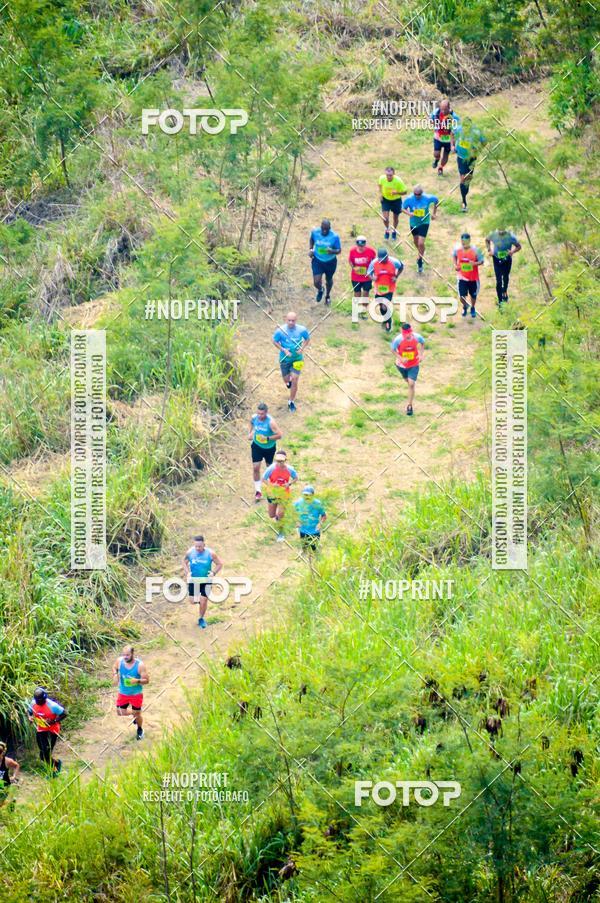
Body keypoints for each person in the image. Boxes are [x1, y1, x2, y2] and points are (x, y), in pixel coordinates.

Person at [272, 311, 311, 413]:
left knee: (295, 379)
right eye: (289, 320)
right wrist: (283, 350)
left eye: (293, 321)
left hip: (297, 359)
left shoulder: (302, 330)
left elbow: (307, 339)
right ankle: (288, 382)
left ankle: (291, 401)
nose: (291, 322)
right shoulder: (280, 331)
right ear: (286, 320)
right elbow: (274, 341)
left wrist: (302, 348)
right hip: (284, 359)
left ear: (296, 321)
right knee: (286, 380)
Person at [183, 535, 224, 628]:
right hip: (194, 580)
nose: (197, 548)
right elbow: (184, 562)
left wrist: (213, 573)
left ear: (204, 545)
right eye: (196, 546)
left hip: (206, 580)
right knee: (192, 601)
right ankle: (200, 601)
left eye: (200, 546)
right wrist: (187, 573)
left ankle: (201, 618)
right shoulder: (190, 553)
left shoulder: (211, 554)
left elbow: (219, 564)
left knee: (204, 600)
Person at [27, 688, 67, 776]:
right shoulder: (33, 703)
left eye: (41, 701)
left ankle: (54, 772)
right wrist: (30, 717)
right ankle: (56, 763)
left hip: (52, 730)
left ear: (45, 698)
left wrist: (54, 721)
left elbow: (64, 713)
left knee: (46, 752)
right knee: (42, 754)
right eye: (38, 701)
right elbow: (29, 711)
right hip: (41, 729)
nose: (39, 703)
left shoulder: (53, 706)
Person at [113, 645, 149, 741]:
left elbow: (146, 680)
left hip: (136, 694)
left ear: (132, 654)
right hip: (123, 693)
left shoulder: (140, 665)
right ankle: (136, 714)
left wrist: (136, 681)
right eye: (124, 655)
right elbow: (115, 667)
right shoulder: (119, 661)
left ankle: (140, 729)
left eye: (127, 655)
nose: (125, 657)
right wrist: (115, 674)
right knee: (120, 712)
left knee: (138, 715)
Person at [248, 402, 282, 501]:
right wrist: (250, 433)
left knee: (269, 469)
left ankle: (272, 489)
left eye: (262, 414)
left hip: (269, 448)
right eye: (258, 413)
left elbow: (279, 435)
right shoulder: (254, 418)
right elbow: (250, 422)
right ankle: (258, 491)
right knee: (255, 468)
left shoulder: (271, 422)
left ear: (266, 413)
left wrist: (267, 438)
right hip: (257, 446)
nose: (260, 416)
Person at [402, 185, 439, 274]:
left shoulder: (427, 198)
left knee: (421, 243)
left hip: (424, 222)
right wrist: (409, 213)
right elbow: (402, 208)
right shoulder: (409, 199)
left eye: (419, 194)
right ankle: (421, 253)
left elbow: (436, 201)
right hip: (413, 223)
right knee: (416, 243)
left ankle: (420, 260)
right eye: (415, 194)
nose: (417, 196)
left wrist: (434, 213)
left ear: (422, 193)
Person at [262, 450, 298, 542]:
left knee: (280, 514)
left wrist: (289, 484)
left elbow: (296, 478)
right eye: (277, 461)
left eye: (281, 461)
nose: (279, 463)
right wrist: (271, 485)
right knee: (271, 515)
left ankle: (281, 532)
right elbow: (263, 479)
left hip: (284, 494)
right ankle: (280, 520)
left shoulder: (290, 469)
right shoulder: (271, 468)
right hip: (272, 494)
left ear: (285, 460)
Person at [453, 116, 486, 212]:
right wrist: (452, 145)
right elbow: (452, 133)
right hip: (461, 157)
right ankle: (464, 202)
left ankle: (465, 192)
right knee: (463, 178)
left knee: (468, 178)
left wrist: (479, 149)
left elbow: (484, 141)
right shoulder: (459, 129)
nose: (465, 129)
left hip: (472, 158)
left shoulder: (476, 132)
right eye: (464, 127)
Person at [392, 323, 425, 416]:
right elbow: (392, 349)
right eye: (405, 334)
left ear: (411, 332)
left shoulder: (417, 337)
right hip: (401, 365)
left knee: (411, 384)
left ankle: (409, 406)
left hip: (414, 363)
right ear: (402, 334)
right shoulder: (398, 340)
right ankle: (411, 387)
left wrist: (421, 355)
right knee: (408, 382)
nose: (407, 336)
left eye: (409, 334)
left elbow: (423, 342)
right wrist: (400, 358)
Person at [367, 248, 403, 332]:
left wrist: (396, 276)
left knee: (384, 306)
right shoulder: (374, 263)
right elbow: (368, 273)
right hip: (379, 288)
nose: (382, 261)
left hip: (389, 288)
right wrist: (373, 278)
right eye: (381, 260)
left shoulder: (394, 262)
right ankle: (386, 318)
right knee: (381, 306)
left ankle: (388, 322)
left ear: (387, 256)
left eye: (384, 259)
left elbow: (401, 267)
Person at [309, 218, 341, 304]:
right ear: (321, 227)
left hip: (330, 262)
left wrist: (332, 251)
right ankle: (320, 289)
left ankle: (327, 296)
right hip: (317, 261)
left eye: (326, 229)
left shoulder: (334, 236)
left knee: (329, 280)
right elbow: (311, 239)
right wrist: (311, 249)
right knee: (316, 282)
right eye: (323, 229)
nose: (324, 231)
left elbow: (339, 250)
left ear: (330, 228)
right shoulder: (315, 232)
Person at [453, 232, 485, 318]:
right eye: (463, 241)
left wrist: (474, 263)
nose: (464, 243)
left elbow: (482, 261)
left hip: (473, 278)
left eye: (466, 241)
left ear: (469, 241)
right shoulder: (457, 249)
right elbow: (454, 256)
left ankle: (473, 307)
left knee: (473, 295)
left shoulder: (476, 250)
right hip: (462, 277)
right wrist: (455, 265)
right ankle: (465, 306)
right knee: (461, 296)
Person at [485, 229, 521, 304]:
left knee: (505, 277)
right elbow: (487, 240)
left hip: (507, 259)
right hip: (496, 259)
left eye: (503, 229)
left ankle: (504, 291)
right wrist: (489, 250)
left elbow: (518, 246)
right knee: (498, 281)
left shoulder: (511, 236)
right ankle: (500, 300)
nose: (501, 231)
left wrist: (512, 251)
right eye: (499, 229)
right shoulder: (493, 234)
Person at [348, 236, 377, 315]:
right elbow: (350, 261)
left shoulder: (371, 251)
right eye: (359, 245)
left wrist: (371, 272)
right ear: (356, 244)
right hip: (356, 277)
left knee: (365, 293)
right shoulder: (352, 251)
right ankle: (356, 309)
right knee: (357, 293)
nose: (360, 247)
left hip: (367, 277)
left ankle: (364, 310)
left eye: (362, 245)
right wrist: (354, 268)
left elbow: (375, 262)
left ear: (365, 244)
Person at [294, 485, 327, 553]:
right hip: (303, 530)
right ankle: (303, 552)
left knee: (314, 549)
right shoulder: (298, 503)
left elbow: (324, 516)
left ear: (313, 495)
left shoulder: (318, 504)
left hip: (315, 530)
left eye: (309, 495)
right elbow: (291, 512)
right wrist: (296, 521)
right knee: (304, 548)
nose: (307, 497)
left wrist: (320, 524)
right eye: (305, 495)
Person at [378, 166, 407, 240]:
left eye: (390, 175)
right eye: (387, 175)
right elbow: (380, 185)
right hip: (386, 200)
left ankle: (394, 230)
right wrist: (380, 194)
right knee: (385, 218)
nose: (388, 177)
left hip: (396, 201)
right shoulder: (382, 178)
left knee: (395, 218)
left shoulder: (398, 181)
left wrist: (397, 192)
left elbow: (405, 192)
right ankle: (387, 229)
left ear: (394, 174)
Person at [430, 99, 456, 175]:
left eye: (445, 109)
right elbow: (430, 119)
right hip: (438, 137)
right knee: (436, 154)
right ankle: (436, 160)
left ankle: (440, 168)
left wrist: (452, 145)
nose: (443, 111)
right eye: (442, 109)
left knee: (445, 155)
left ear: (449, 108)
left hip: (448, 140)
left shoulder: (453, 117)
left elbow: (453, 132)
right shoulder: (436, 112)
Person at [0, 741, 20, 805]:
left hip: (4, 786)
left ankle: (11, 803)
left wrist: (14, 776)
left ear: (3, 752)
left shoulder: (6, 761)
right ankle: (10, 802)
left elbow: (16, 766)